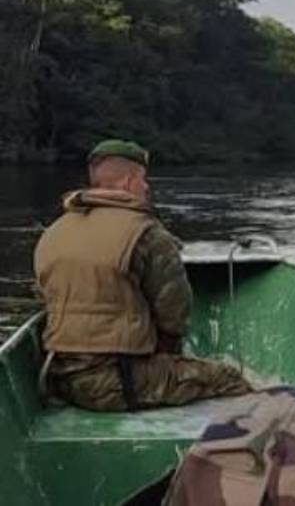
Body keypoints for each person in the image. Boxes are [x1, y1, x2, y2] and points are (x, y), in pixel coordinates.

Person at [33, 139, 252, 411]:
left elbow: (44, 296)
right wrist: (167, 357)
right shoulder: (146, 233)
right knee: (229, 378)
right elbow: (175, 311)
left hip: (56, 377)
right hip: (113, 383)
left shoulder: (54, 231)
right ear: (127, 182)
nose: (146, 187)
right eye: (143, 180)